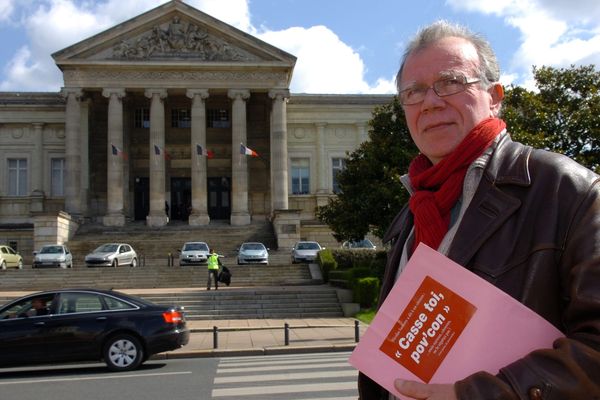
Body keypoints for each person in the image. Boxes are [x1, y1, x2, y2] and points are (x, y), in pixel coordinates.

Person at [358, 20, 600, 399]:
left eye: (451, 82)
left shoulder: (565, 188)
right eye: (414, 91)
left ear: (495, 96)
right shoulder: (414, 212)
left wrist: (478, 394)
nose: (431, 101)